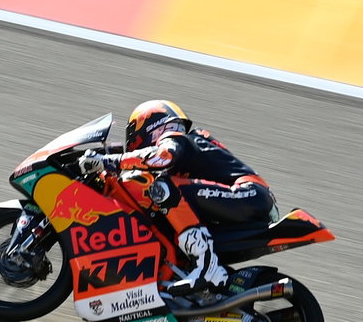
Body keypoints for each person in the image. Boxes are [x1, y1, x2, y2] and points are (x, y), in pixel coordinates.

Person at [81, 100, 276, 296]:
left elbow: (163, 156)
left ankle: (207, 266)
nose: (132, 145)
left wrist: (109, 161)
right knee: (167, 209)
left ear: (149, 128)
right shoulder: (185, 149)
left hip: (249, 193)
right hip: (240, 200)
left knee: (162, 188)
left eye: (133, 138)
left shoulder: (174, 138)